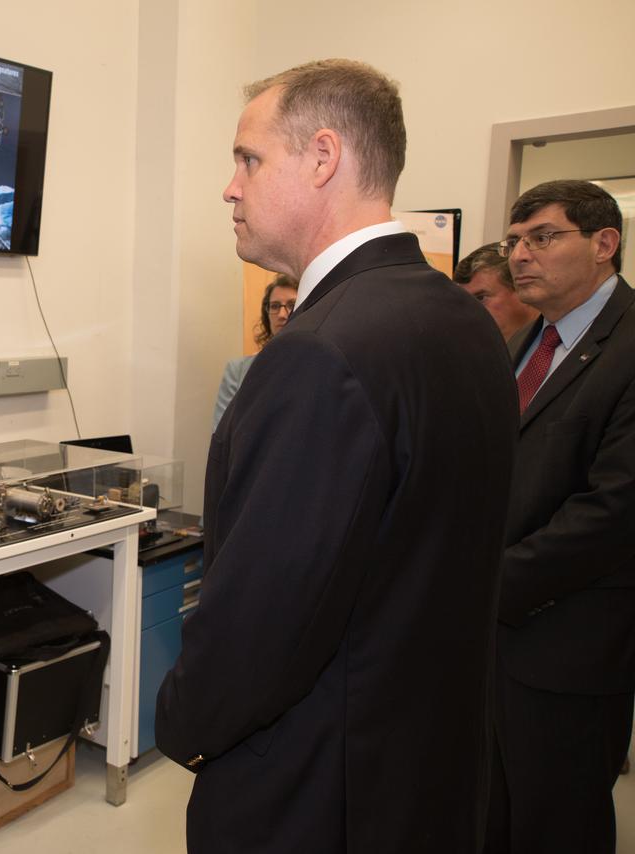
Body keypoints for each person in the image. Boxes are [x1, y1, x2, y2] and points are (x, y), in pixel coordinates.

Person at [155, 59, 518, 853]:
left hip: (321, 792)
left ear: (323, 158)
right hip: (428, 773)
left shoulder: (319, 353)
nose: (229, 186)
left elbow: (260, 625)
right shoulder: (464, 321)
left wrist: (178, 721)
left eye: (248, 158)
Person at [485, 179, 635, 854]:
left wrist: (486, 584)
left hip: (571, 647)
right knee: (492, 811)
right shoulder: (523, 343)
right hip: (492, 642)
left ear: (605, 244)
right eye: (514, 241)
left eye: (542, 237)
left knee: (559, 823)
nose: (520, 255)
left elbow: (614, 509)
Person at [211, 273, 297, 429]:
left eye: (291, 305)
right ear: (266, 313)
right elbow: (221, 434)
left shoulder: (319, 365)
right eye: (275, 306)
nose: (282, 314)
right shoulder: (238, 371)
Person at [455, 242, 537, 342]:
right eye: (462, 303)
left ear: (524, 291)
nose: (467, 314)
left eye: (480, 298)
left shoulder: (551, 350)